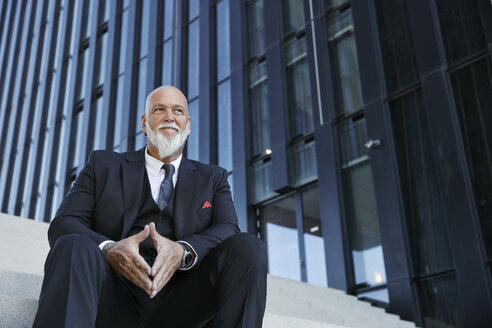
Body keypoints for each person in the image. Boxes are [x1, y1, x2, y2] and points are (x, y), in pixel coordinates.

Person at [33, 85, 267, 328]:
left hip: (181, 305)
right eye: (159, 109)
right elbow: (64, 223)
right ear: (144, 123)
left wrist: (184, 251)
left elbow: (228, 228)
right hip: (113, 296)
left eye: (178, 111)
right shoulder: (102, 165)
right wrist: (109, 248)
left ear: (188, 124)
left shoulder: (213, 178)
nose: (169, 117)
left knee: (248, 247)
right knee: (73, 244)